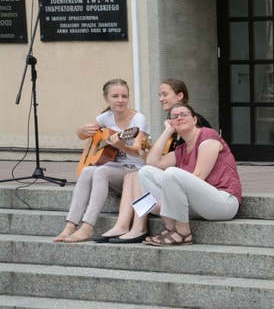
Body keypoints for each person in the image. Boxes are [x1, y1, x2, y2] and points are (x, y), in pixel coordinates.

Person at [94, 79, 212, 244]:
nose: (161, 98)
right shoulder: (172, 123)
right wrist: (145, 153)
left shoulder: (190, 121)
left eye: (165, 94)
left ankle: (139, 227)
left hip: (190, 178)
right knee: (132, 176)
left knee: (138, 175)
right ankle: (123, 225)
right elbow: (163, 158)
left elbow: (189, 159)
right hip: (178, 173)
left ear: (180, 96)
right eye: (159, 95)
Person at [54, 78, 149, 243]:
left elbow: (137, 151)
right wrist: (80, 130)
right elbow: (84, 135)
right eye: (115, 96)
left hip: (133, 170)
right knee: (86, 170)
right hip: (112, 168)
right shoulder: (106, 117)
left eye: (124, 96)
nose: (120, 100)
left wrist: (121, 146)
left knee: (101, 171)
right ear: (106, 98)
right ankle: (70, 224)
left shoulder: (138, 120)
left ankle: (88, 226)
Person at [137, 102, 242, 246]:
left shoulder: (208, 136)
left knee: (172, 173)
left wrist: (166, 201)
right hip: (199, 205)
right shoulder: (181, 150)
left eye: (184, 114)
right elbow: (152, 162)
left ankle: (183, 233)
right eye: (174, 117)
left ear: (194, 119)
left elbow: (199, 176)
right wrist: (167, 131)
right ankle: (171, 228)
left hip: (224, 202)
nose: (179, 118)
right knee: (145, 172)